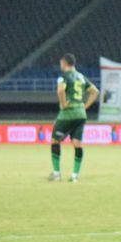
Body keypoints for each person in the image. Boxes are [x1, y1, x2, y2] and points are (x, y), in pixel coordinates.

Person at [48, 53, 98, 182]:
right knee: (77, 144)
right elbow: (95, 91)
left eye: (61, 63)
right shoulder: (81, 77)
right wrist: (84, 106)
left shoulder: (63, 77)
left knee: (55, 141)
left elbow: (60, 91)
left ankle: (57, 174)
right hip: (81, 115)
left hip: (67, 114)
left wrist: (63, 104)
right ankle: (74, 175)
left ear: (64, 63)